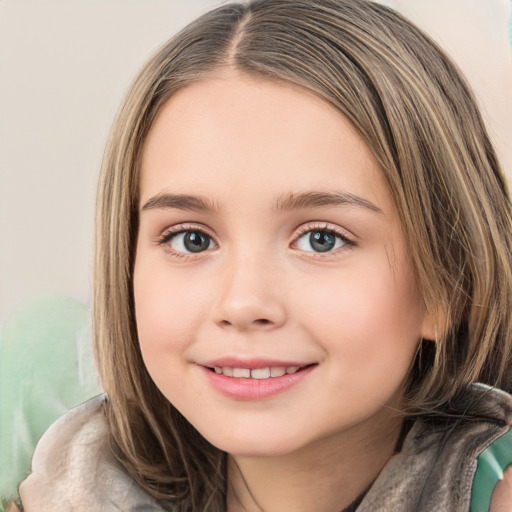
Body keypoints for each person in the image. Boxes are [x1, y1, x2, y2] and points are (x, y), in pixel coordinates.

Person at [18, 0, 512, 510]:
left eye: (322, 238)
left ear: (450, 285)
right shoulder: (57, 482)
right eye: (192, 239)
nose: (242, 302)